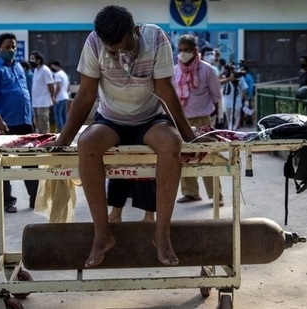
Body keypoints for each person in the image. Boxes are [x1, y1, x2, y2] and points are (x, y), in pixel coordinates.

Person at [45, 5, 206, 268]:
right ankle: (102, 233)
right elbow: (86, 94)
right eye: (112, 50)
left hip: (150, 119)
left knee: (171, 144)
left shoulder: (155, 38)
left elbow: (165, 90)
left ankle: (161, 233)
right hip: (111, 119)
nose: (118, 53)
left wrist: (189, 136)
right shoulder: (95, 42)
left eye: (123, 46)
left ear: (134, 31)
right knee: (86, 144)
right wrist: (63, 140)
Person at [0, 32, 38, 213]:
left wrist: (31, 118)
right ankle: (8, 201)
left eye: (13, 46)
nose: (11, 50)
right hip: (6, 124)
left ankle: (34, 199)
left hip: (25, 122)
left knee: (31, 161)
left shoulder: (20, 68)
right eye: (7, 47)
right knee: (5, 164)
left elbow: (26, 94)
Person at [172, 34, 223, 205]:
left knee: (208, 157)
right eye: (180, 50)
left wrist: (219, 118)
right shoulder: (175, 71)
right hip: (181, 121)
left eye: (186, 50)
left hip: (203, 120)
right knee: (184, 158)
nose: (182, 54)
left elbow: (217, 96)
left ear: (195, 50)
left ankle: (216, 195)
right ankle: (191, 192)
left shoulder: (207, 70)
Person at [29, 50, 55, 133]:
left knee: (44, 126)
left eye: (33, 59)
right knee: (38, 126)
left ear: (38, 60)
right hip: (36, 103)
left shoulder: (45, 70)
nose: (31, 61)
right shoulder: (36, 70)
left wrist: (52, 97)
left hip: (43, 103)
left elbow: (51, 86)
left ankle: (46, 144)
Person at [222, 65, 248, 131]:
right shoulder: (225, 78)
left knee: (235, 118)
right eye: (230, 70)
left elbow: (244, 89)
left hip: (237, 101)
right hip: (227, 101)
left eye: (233, 70)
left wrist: (246, 100)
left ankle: (233, 130)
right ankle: (230, 129)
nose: (232, 72)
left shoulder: (240, 78)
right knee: (228, 118)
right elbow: (218, 82)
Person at [48, 60, 70, 132]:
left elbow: (58, 87)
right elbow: (68, 87)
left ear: (57, 66)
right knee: (64, 116)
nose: (51, 69)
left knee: (58, 116)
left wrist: (54, 96)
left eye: (52, 67)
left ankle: (60, 131)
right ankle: (65, 131)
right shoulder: (64, 74)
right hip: (65, 97)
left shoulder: (57, 74)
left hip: (59, 98)